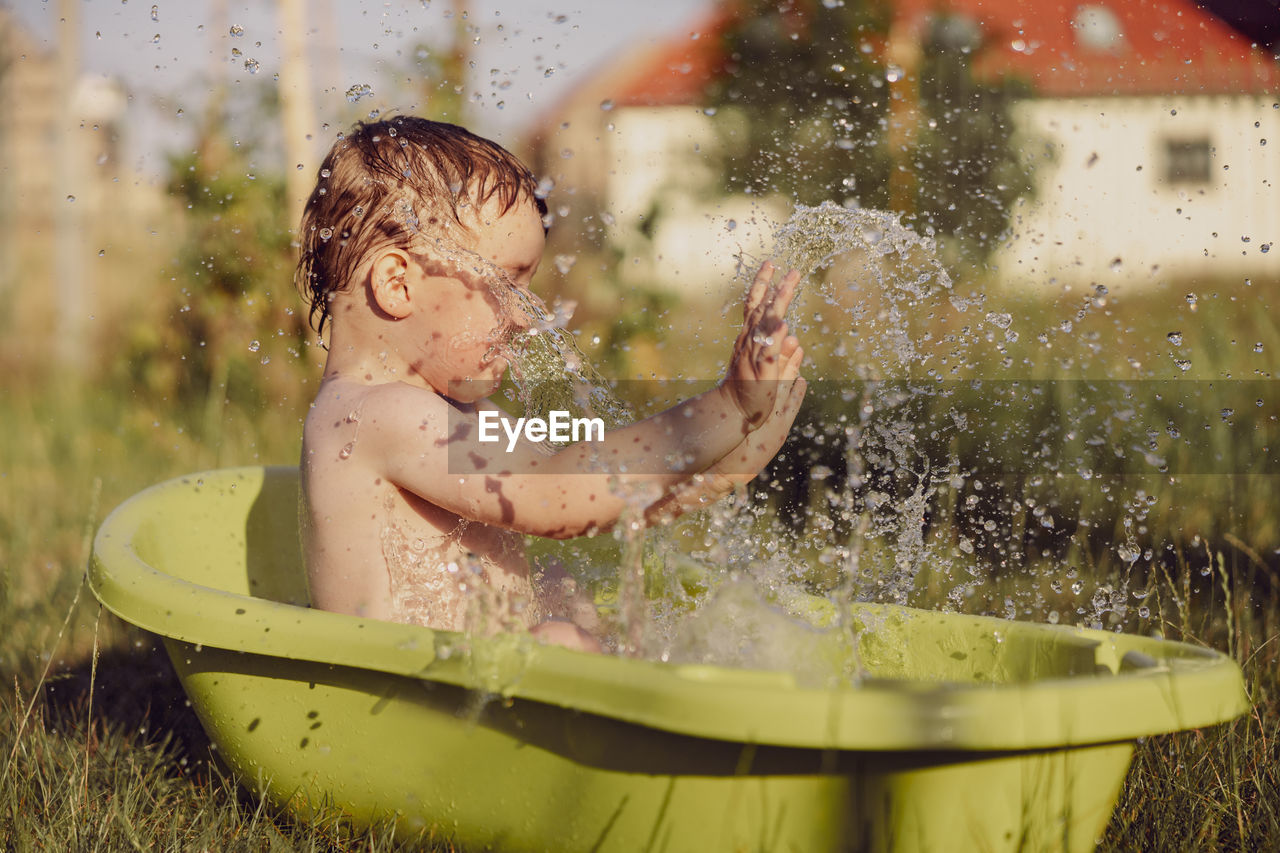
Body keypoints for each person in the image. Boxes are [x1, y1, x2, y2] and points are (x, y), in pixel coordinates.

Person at [295, 116, 805, 652]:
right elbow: (556, 494)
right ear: (398, 285)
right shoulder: (374, 416)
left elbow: (599, 492)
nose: (527, 315)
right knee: (560, 638)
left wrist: (729, 463)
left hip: (473, 692)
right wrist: (725, 406)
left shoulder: (463, 414)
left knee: (567, 595)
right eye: (506, 282)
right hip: (402, 706)